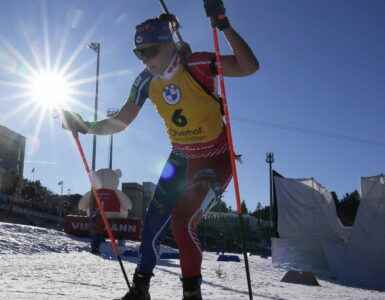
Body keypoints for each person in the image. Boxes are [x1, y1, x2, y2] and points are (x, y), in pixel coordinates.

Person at [62, 2, 258, 299]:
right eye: (139, 53)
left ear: (168, 46)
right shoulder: (144, 81)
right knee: (152, 223)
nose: (145, 60)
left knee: (182, 222)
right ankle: (141, 288)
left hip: (213, 159)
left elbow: (249, 66)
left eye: (151, 51)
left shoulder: (198, 64)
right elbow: (121, 121)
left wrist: (223, 25)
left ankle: (192, 294)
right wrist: (86, 125)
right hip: (179, 158)